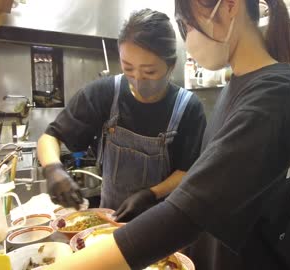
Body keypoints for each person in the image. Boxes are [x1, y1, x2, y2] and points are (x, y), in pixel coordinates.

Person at [46, 0, 290, 269]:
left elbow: (185, 216)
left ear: (230, 5)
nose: (187, 39)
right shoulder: (237, 87)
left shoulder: (273, 95)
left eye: (187, 24)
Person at [37, 9, 207, 222]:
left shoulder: (188, 108)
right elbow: (50, 137)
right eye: (128, 68)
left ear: (170, 66)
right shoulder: (104, 93)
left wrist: (151, 194)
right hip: (111, 220)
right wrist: (53, 169)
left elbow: (187, 170)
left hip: (163, 222)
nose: (137, 79)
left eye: (149, 72)